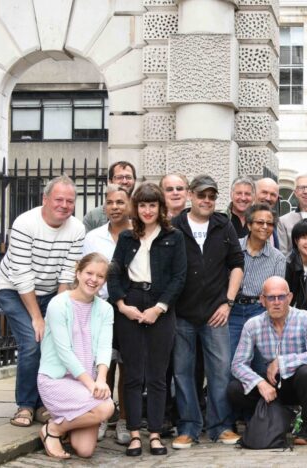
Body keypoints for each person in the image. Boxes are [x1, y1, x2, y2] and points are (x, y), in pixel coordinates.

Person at [0, 175, 86, 429]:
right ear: (45, 199)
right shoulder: (25, 223)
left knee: (53, 344)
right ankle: (25, 404)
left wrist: (55, 314)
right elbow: (22, 276)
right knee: (32, 342)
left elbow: (67, 275)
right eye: (59, 199)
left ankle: (44, 403)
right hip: (14, 289)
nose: (64, 205)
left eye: (70, 201)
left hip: (51, 291)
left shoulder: (77, 229)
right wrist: (37, 317)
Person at [108, 182, 187, 456]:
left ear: (160, 207)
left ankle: (153, 433)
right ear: (136, 208)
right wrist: (121, 305)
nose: (147, 210)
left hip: (160, 307)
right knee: (131, 373)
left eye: (152, 205)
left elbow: (179, 277)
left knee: (156, 375)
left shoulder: (173, 237)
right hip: (130, 304)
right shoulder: (127, 237)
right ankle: (133, 434)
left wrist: (159, 308)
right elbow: (114, 273)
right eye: (142, 205)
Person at [170, 175, 244, 449]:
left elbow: (237, 264)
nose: (207, 200)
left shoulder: (223, 226)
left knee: (220, 371)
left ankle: (221, 426)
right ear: (190, 195)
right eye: (202, 195)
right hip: (182, 313)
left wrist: (228, 301)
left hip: (216, 311)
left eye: (212, 196)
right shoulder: (174, 226)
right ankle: (188, 427)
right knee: (183, 372)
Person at [228, 276, 307, 446]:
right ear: (262, 300)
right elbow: (238, 364)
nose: (276, 302)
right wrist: (259, 383)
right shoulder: (253, 325)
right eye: (271, 297)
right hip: (274, 385)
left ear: (289, 297)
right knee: (234, 389)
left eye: (281, 296)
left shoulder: (306, 318)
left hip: (299, 383)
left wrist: (281, 362)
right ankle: (275, 418)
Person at [37, 253, 115, 459]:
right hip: (57, 380)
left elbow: (105, 348)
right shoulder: (58, 304)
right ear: (78, 273)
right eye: (89, 273)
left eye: (100, 276)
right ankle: (53, 429)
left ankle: (64, 421)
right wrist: (92, 386)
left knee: (85, 450)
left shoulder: (106, 309)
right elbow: (64, 352)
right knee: (106, 407)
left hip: (85, 382)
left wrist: (101, 379)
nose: (94, 279)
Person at [81, 185, 132, 443]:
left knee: (126, 365)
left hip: (129, 309)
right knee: (104, 365)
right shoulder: (93, 237)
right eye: (110, 202)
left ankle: (123, 420)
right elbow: (85, 272)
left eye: (120, 202)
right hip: (100, 309)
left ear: (129, 205)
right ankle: (102, 416)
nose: (115, 207)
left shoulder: (137, 234)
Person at [231, 203, 285, 359]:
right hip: (232, 310)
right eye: (260, 222)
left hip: (260, 312)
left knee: (260, 363)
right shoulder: (232, 247)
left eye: (269, 224)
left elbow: (277, 295)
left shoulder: (278, 258)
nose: (265, 227)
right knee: (230, 361)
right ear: (249, 224)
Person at [83, 161, 137, 232]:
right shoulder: (92, 218)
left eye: (128, 177)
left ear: (135, 181)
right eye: (119, 177)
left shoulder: (143, 213)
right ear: (110, 181)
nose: (124, 181)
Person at [277, 174, 307, 255]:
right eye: (301, 188)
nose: (306, 191)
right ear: (295, 193)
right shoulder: (283, 221)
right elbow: (282, 254)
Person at [255, 177, 281, 248]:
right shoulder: (244, 220)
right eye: (264, 192)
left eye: (273, 194)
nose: (268, 198)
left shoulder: (276, 223)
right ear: (254, 193)